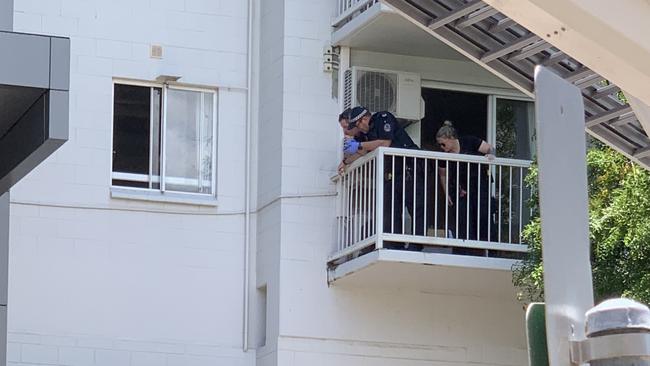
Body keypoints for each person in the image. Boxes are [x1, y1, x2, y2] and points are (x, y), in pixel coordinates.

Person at [341, 106, 426, 244]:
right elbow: (362, 152)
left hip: (409, 168)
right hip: (391, 173)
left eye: (357, 124)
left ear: (365, 119)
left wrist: (358, 145)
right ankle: (393, 244)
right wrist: (345, 162)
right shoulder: (365, 133)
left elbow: (385, 143)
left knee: (415, 208)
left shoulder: (382, 118)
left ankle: (417, 245)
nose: (359, 128)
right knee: (390, 210)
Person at [435, 121, 496, 243]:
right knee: (463, 219)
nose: (441, 147)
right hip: (460, 189)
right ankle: (465, 249)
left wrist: (490, 155)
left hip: (479, 185)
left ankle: (488, 249)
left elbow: (490, 148)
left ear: (451, 138)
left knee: (483, 216)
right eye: (439, 144)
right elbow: (443, 175)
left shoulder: (469, 141)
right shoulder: (443, 154)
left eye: (443, 144)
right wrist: (447, 193)